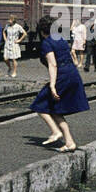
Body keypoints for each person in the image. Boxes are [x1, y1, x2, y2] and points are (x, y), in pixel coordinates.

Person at [30, 15, 89, 152]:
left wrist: (52, 84)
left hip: (62, 76)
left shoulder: (46, 43)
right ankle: (69, 142)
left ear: (42, 30)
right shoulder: (61, 39)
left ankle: (56, 132)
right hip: (72, 74)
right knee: (55, 109)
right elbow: (71, 57)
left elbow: (53, 64)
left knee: (39, 105)